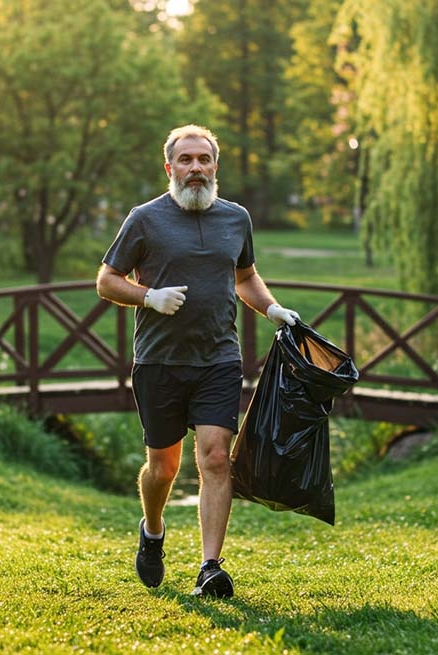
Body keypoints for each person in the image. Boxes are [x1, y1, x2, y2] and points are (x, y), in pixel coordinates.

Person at [96, 124, 300, 598]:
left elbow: (246, 276)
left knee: (214, 458)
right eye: (185, 160)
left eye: (203, 159)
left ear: (215, 167)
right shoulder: (144, 219)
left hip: (218, 359)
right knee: (163, 468)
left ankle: (210, 567)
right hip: (159, 362)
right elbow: (106, 281)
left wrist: (271, 308)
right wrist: (149, 297)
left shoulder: (236, 219)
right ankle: (152, 531)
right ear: (170, 168)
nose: (194, 168)